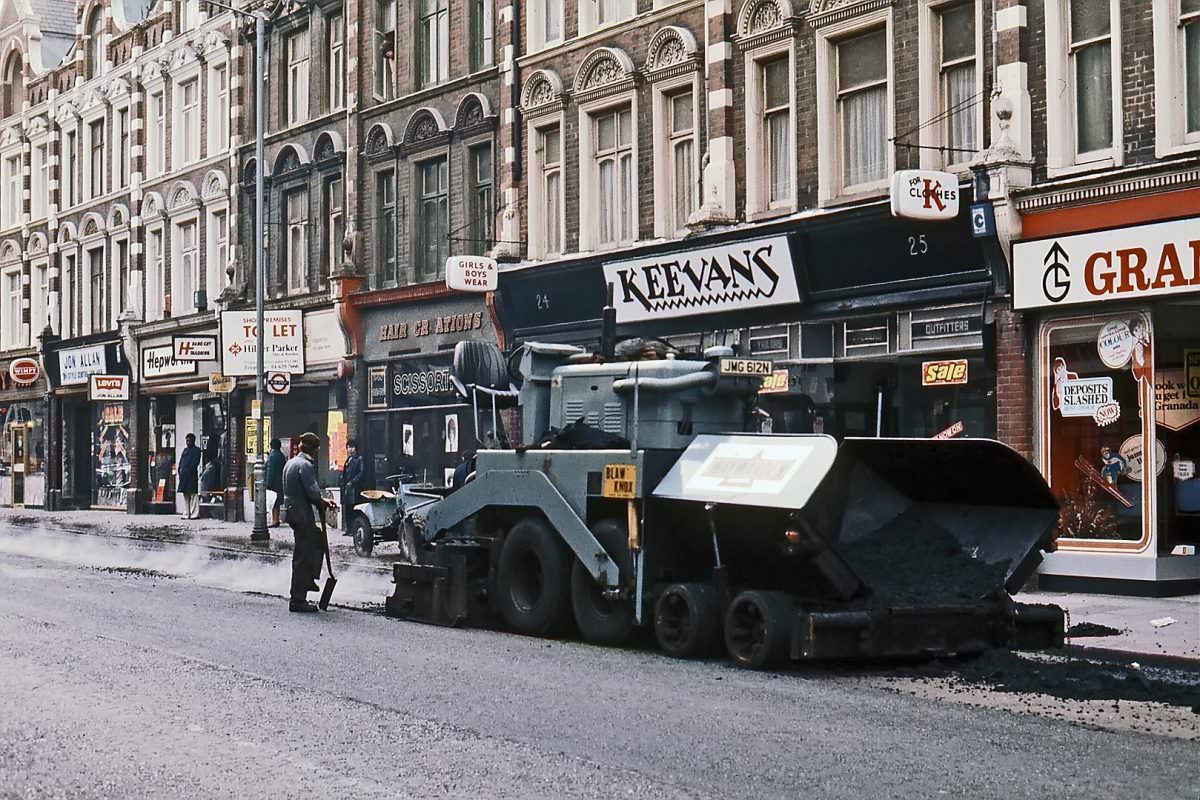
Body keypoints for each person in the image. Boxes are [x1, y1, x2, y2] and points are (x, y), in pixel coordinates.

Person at [282, 432, 336, 613]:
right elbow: (313, 493)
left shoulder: (291, 463)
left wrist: (322, 501)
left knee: (316, 541)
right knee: (303, 556)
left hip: (292, 512)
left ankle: (310, 579)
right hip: (302, 514)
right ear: (316, 449)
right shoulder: (305, 465)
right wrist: (321, 501)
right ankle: (298, 599)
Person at [177, 433, 202, 519]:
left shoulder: (197, 450)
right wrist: (180, 470)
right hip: (184, 475)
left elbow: (196, 462)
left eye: (189, 441)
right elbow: (181, 462)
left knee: (193, 495)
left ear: (193, 441)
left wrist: (188, 470)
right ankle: (187, 513)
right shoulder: (185, 450)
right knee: (186, 495)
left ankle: (194, 513)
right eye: (187, 441)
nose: (188, 442)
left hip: (191, 475)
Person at [339, 438, 364, 516]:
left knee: (353, 510)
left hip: (354, 489)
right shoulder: (348, 460)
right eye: (349, 447)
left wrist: (352, 482)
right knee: (347, 510)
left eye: (352, 447)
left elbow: (361, 473)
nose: (350, 449)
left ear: (356, 448)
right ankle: (348, 527)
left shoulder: (359, 459)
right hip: (346, 489)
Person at [265, 438, 286, 527]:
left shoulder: (272, 456)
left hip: (274, 483)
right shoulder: (281, 455)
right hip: (280, 481)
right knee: (276, 502)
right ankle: (276, 519)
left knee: (273, 502)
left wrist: (268, 483)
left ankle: (274, 520)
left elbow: (270, 471)